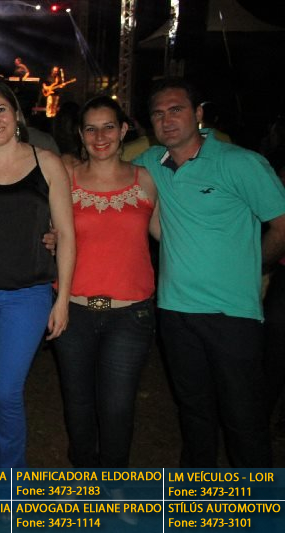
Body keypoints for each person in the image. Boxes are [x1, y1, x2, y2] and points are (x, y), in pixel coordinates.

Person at [135, 78, 285, 467]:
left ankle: (257, 500)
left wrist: (257, 264)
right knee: (194, 415)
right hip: (176, 312)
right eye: (158, 114)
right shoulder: (152, 164)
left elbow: (281, 226)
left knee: (243, 419)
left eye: (176, 110)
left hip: (232, 314)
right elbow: (106, 175)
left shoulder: (240, 163)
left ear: (198, 114)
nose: (167, 120)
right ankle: (197, 495)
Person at [0, 79, 75, 468]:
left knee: (6, 391)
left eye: (0, 110)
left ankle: (10, 482)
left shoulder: (48, 163)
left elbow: (67, 235)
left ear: (17, 113)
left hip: (28, 295)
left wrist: (62, 299)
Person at [53, 95, 157, 468]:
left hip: (130, 316)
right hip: (73, 311)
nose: (100, 137)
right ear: (81, 134)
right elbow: (48, 229)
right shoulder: (65, 178)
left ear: (124, 130)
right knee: (78, 403)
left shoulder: (145, 180)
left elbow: (169, 234)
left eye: (108, 127)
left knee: (117, 407)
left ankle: (113, 485)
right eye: (91, 129)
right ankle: (84, 478)